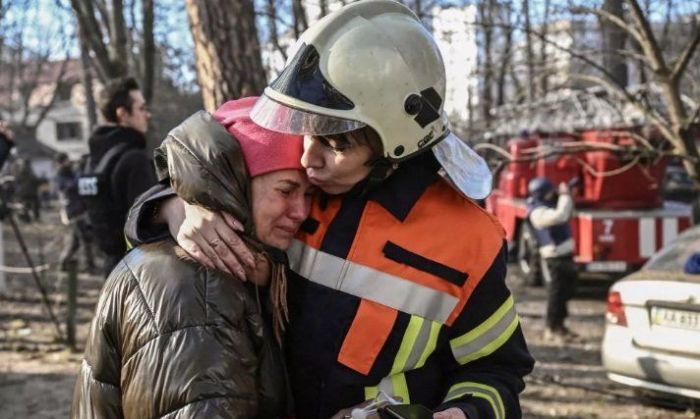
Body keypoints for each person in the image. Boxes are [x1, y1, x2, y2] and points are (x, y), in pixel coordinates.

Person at [125, 2, 534, 418]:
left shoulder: (468, 240)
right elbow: (164, 211)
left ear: (393, 154)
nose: (307, 158)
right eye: (307, 129)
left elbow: (497, 368)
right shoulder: (296, 191)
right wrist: (177, 206)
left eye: (336, 145)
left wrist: (459, 415)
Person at [72, 97, 311, 418]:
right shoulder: (200, 286)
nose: (301, 212)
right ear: (236, 183)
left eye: (308, 195)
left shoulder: (234, 264)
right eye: (285, 190)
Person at [83, 76, 156, 277]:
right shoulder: (134, 160)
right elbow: (148, 229)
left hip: (111, 272)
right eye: (141, 109)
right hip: (142, 273)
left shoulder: (91, 161)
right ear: (123, 114)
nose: (147, 115)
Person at [526, 177, 578, 342]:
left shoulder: (545, 205)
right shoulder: (537, 212)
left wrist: (568, 195)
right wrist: (564, 195)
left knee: (565, 293)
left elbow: (568, 213)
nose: (552, 194)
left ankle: (560, 326)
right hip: (554, 257)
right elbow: (560, 216)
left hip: (564, 255)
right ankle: (551, 327)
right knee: (556, 294)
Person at [55, 153, 96, 273]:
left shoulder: (71, 172)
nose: (70, 163)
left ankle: (63, 262)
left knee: (75, 242)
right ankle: (90, 266)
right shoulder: (61, 175)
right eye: (67, 161)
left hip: (80, 209)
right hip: (73, 211)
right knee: (85, 239)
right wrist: (80, 172)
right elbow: (72, 186)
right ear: (61, 162)